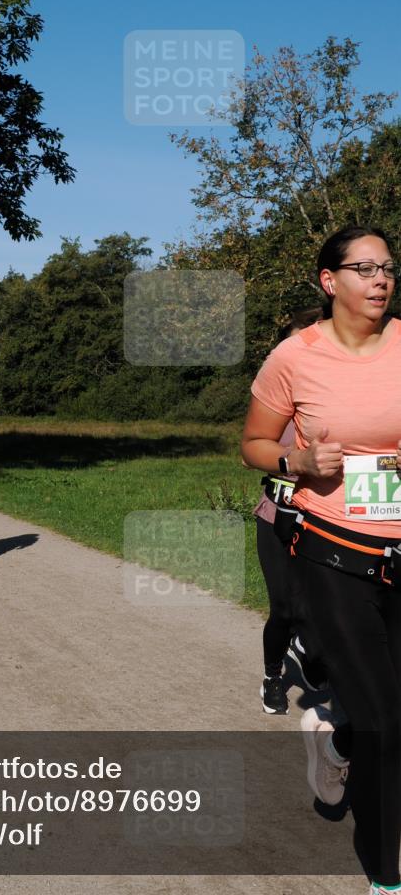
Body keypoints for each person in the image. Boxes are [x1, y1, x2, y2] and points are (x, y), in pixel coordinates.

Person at [242, 226, 400, 894]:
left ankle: (334, 741)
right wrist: (297, 460)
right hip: (335, 554)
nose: (381, 278)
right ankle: (386, 876)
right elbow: (254, 442)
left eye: (388, 266)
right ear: (330, 281)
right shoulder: (295, 356)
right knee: (386, 725)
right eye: (365, 268)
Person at [252, 308, 327, 715]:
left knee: (324, 606)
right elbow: (249, 454)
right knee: (283, 607)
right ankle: (273, 676)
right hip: (277, 515)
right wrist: (296, 459)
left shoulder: (338, 399)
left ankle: (310, 648)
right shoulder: (272, 398)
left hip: (324, 518)